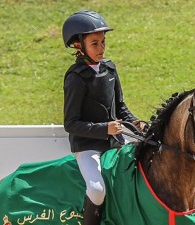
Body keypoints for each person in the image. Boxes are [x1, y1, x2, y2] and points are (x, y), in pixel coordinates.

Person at [62, 10, 143, 225]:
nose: (101, 48)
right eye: (95, 43)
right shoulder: (75, 78)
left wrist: (135, 122)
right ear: (79, 46)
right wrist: (104, 129)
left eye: (103, 42)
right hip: (88, 146)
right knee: (97, 191)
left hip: (115, 141)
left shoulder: (110, 68)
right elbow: (70, 124)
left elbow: (121, 107)